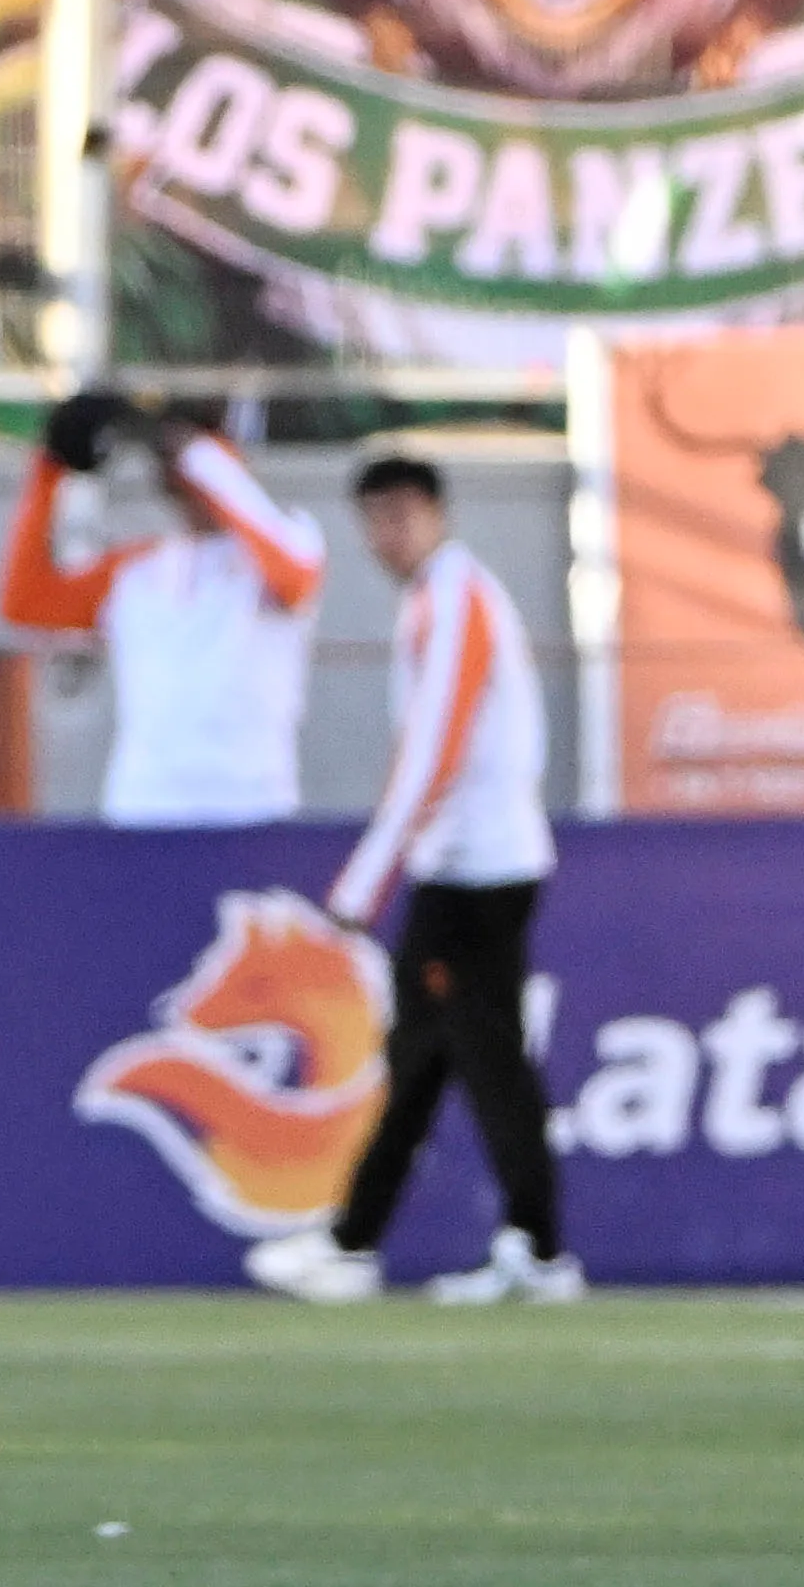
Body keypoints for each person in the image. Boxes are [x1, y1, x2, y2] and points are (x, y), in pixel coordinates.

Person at [243, 454, 582, 1308]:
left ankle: (537, 1251)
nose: (388, 535)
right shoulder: (434, 601)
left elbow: (435, 745)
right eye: (376, 518)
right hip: (457, 867)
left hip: (476, 871)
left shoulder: (457, 599)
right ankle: (355, 1240)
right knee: (422, 1063)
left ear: (438, 513)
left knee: (486, 1062)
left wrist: (364, 883)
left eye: (403, 514)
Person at [0, 390, 326, 826]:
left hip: (253, 810)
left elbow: (292, 577)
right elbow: (24, 602)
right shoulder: (137, 570)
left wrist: (198, 453)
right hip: (144, 811)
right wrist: (50, 466)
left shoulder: (291, 540)